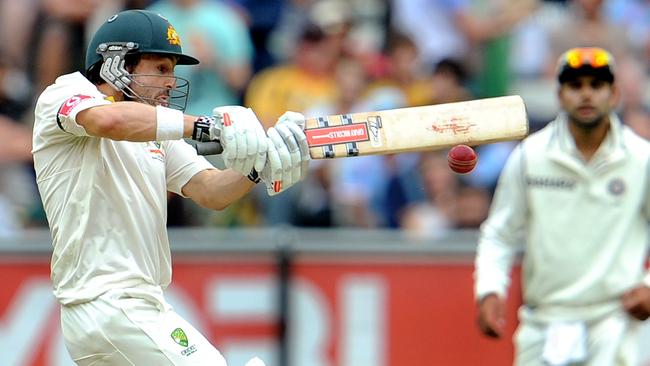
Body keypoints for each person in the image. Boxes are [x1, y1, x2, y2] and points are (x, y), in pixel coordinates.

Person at [32, 9, 309, 365]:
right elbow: (110, 120)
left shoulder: (157, 134)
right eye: (161, 69)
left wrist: (261, 167)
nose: (171, 82)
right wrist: (205, 126)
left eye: (173, 72)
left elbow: (211, 190)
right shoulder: (66, 93)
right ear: (116, 63)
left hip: (131, 306)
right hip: (111, 302)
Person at [474, 47, 650, 365]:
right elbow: (499, 234)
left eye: (596, 86)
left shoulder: (640, 159)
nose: (586, 94)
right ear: (559, 94)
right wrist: (489, 288)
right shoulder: (531, 156)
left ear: (614, 94)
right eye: (575, 85)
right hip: (545, 322)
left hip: (614, 320)